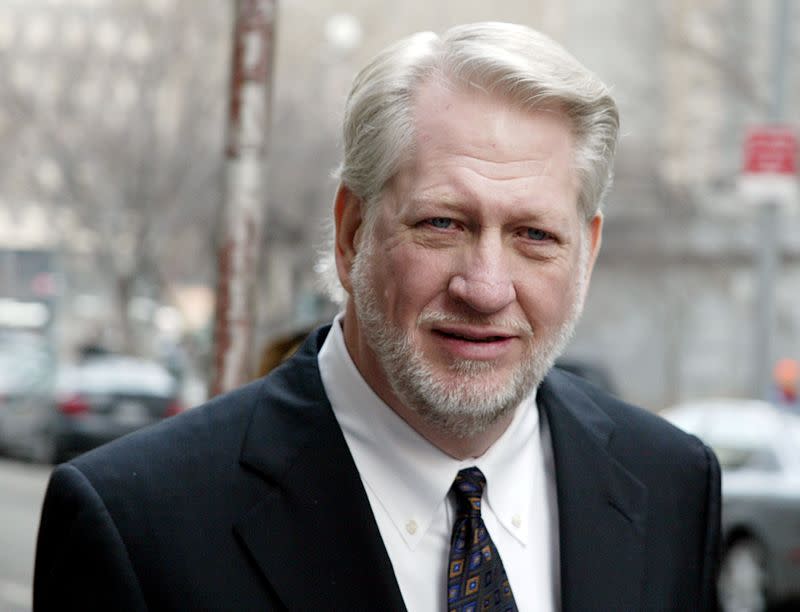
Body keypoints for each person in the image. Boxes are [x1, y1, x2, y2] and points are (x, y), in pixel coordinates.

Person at [34, 22, 720, 611]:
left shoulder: (670, 486)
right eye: (442, 223)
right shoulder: (138, 523)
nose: (484, 287)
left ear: (588, 252)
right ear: (351, 232)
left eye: (534, 236)